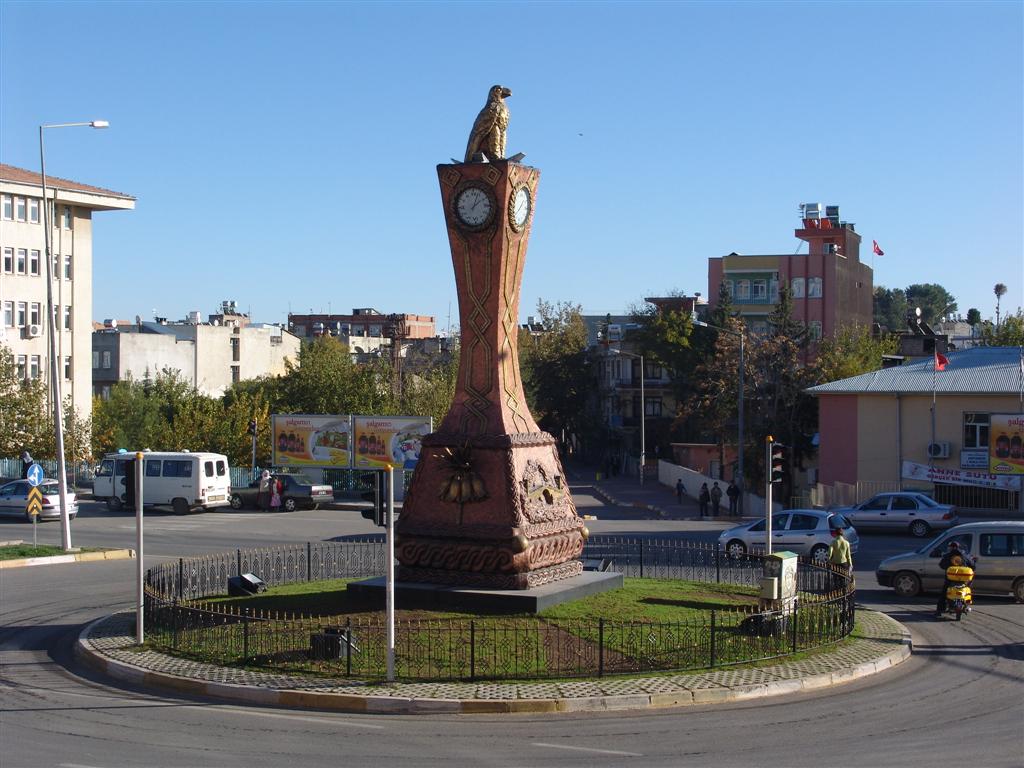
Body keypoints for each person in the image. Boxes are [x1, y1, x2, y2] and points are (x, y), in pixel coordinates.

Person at [936, 540, 974, 617]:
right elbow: (973, 566)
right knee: (967, 589)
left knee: (944, 594)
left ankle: (939, 611)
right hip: (963, 581)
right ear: (958, 547)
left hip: (950, 580)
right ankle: (966, 605)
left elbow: (941, 565)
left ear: (950, 548)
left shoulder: (948, 555)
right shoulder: (964, 555)